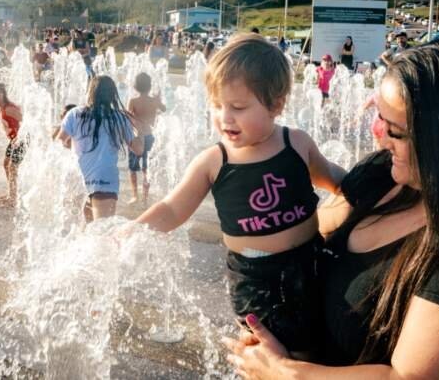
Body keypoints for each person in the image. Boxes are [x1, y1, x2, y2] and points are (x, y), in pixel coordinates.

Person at [224, 37, 439, 379]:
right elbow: (303, 240)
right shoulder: (382, 175)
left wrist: (284, 372)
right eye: (380, 118)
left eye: (395, 131)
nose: (378, 137)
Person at [132, 34, 345, 357]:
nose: (225, 117)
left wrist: (371, 184)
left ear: (276, 104)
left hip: (310, 262)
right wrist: (132, 232)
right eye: (217, 105)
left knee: (316, 348)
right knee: (267, 352)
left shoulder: (297, 144)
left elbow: (333, 179)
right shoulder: (215, 161)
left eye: (238, 107)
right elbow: (172, 209)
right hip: (254, 279)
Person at [57, 76, 144, 222]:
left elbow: (59, 142)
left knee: (84, 229)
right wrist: (139, 129)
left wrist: (76, 147)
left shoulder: (75, 113)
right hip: (105, 180)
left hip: (78, 178)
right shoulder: (119, 118)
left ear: (90, 92)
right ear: (112, 95)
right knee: (102, 232)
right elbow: (138, 150)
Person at [127, 72, 166, 205]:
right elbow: (164, 109)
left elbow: (128, 118)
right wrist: (158, 99)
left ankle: (134, 196)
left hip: (137, 137)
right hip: (150, 136)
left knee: (133, 169)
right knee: (146, 168)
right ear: (149, 86)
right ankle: (145, 197)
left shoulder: (133, 101)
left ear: (135, 86)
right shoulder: (153, 101)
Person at [0, 83, 24, 205]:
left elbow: (26, 121)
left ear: (0, 95)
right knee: (6, 163)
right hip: (14, 140)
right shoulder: (2, 108)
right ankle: (11, 192)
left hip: (21, 140)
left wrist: (20, 138)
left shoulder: (9, 109)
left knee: (12, 167)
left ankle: (13, 198)